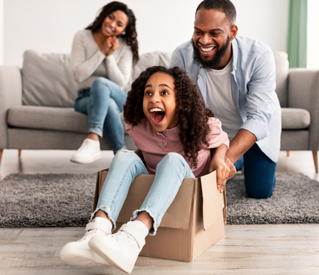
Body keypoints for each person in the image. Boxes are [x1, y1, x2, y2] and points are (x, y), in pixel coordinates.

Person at [60, 66, 230, 273]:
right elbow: (141, 151)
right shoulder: (138, 127)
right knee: (124, 155)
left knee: (173, 160)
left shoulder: (202, 127)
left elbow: (222, 141)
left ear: (182, 102)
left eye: (164, 92)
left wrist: (220, 159)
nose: (154, 98)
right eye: (148, 93)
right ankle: (96, 231)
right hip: (155, 180)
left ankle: (133, 237)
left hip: (188, 182)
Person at [170, 0, 282, 199]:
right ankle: (233, 162)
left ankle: (240, 160)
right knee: (200, 176)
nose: (204, 41)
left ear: (232, 32)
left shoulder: (258, 55)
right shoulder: (182, 55)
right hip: (211, 135)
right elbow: (178, 110)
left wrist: (226, 158)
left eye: (214, 33)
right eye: (198, 31)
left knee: (259, 192)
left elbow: (258, 118)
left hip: (254, 136)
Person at [70, 1, 139, 164]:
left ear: (124, 30)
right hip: (85, 98)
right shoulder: (82, 37)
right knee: (107, 104)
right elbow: (78, 75)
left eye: (119, 24)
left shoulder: (125, 48)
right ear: (104, 15)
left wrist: (109, 56)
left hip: (118, 96)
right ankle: (122, 155)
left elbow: (121, 82)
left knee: (101, 84)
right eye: (111, 17)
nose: (112, 24)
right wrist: (101, 52)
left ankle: (93, 140)